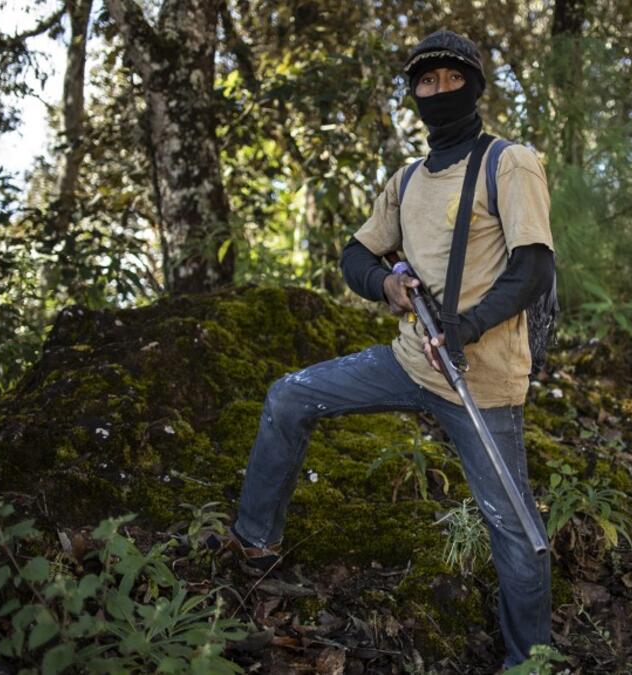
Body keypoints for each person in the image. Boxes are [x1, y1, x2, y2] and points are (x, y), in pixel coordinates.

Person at [229, 29, 555, 667]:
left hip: (481, 380)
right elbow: (356, 254)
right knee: (288, 398)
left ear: (475, 86)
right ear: (414, 93)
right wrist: (388, 285)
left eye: (453, 78)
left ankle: (530, 661)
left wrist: (466, 327)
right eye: (427, 81)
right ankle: (253, 544)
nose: (440, 90)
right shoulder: (406, 181)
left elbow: (533, 268)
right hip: (409, 361)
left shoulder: (508, 163)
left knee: (516, 529)